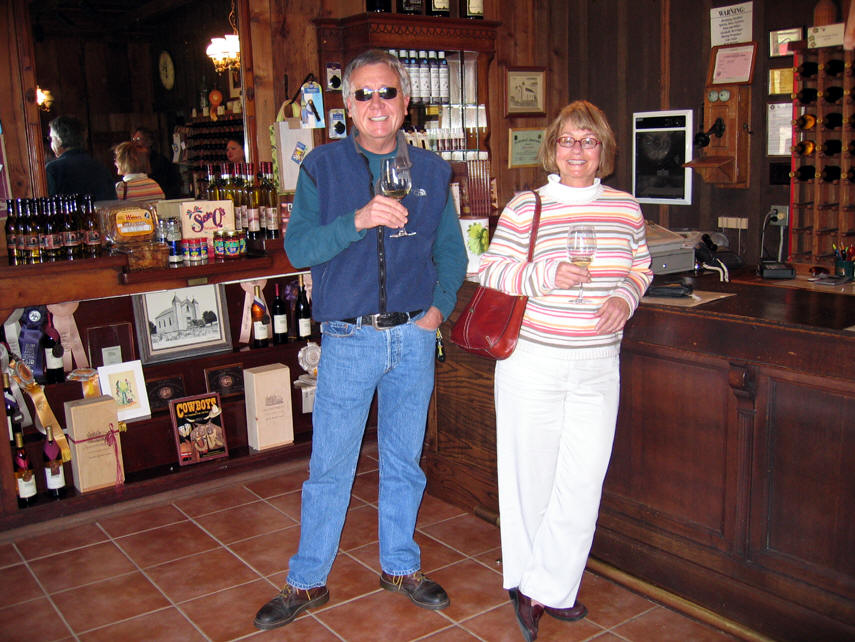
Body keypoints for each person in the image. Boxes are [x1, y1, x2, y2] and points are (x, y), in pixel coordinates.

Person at [253, 49, 467, 631]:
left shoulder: (431, 171)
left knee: (404, 460)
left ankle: (400, 566)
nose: (377, 104)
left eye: (387, 92)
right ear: (347, 104)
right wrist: (358, 220)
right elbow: (299, 248)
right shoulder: (322, 166)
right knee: (330, 466)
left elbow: (451, 252)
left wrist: (436, 312)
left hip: (413, 338)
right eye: (364, 94)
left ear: (405, 102)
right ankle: (307, 579)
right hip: (349, 339)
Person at [477, 100, 652, 642]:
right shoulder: (527, 206)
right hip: (534, 360)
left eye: (589, 141)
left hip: (599, 364)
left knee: (582, 481)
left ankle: (548, 584)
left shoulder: (625, 208)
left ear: (604, 151)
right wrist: (545, 273)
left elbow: (641, 267)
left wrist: (625, 296)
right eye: (568, 140)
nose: (578, 150)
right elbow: (490, 270)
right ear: (553, 148)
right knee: (529, 479)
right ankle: (529, 585)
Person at [46, 116, 117, 201]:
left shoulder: (53, 169)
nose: (51, 143)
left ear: (59, 139)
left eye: (51, 138)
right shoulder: (101, 167)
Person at [132, 127, 182, 198]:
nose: (135, 143)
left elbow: (171, 185)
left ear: (149, 142)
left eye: (138, 139)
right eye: (133, 139)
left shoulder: (161, 161)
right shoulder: (133, 162)